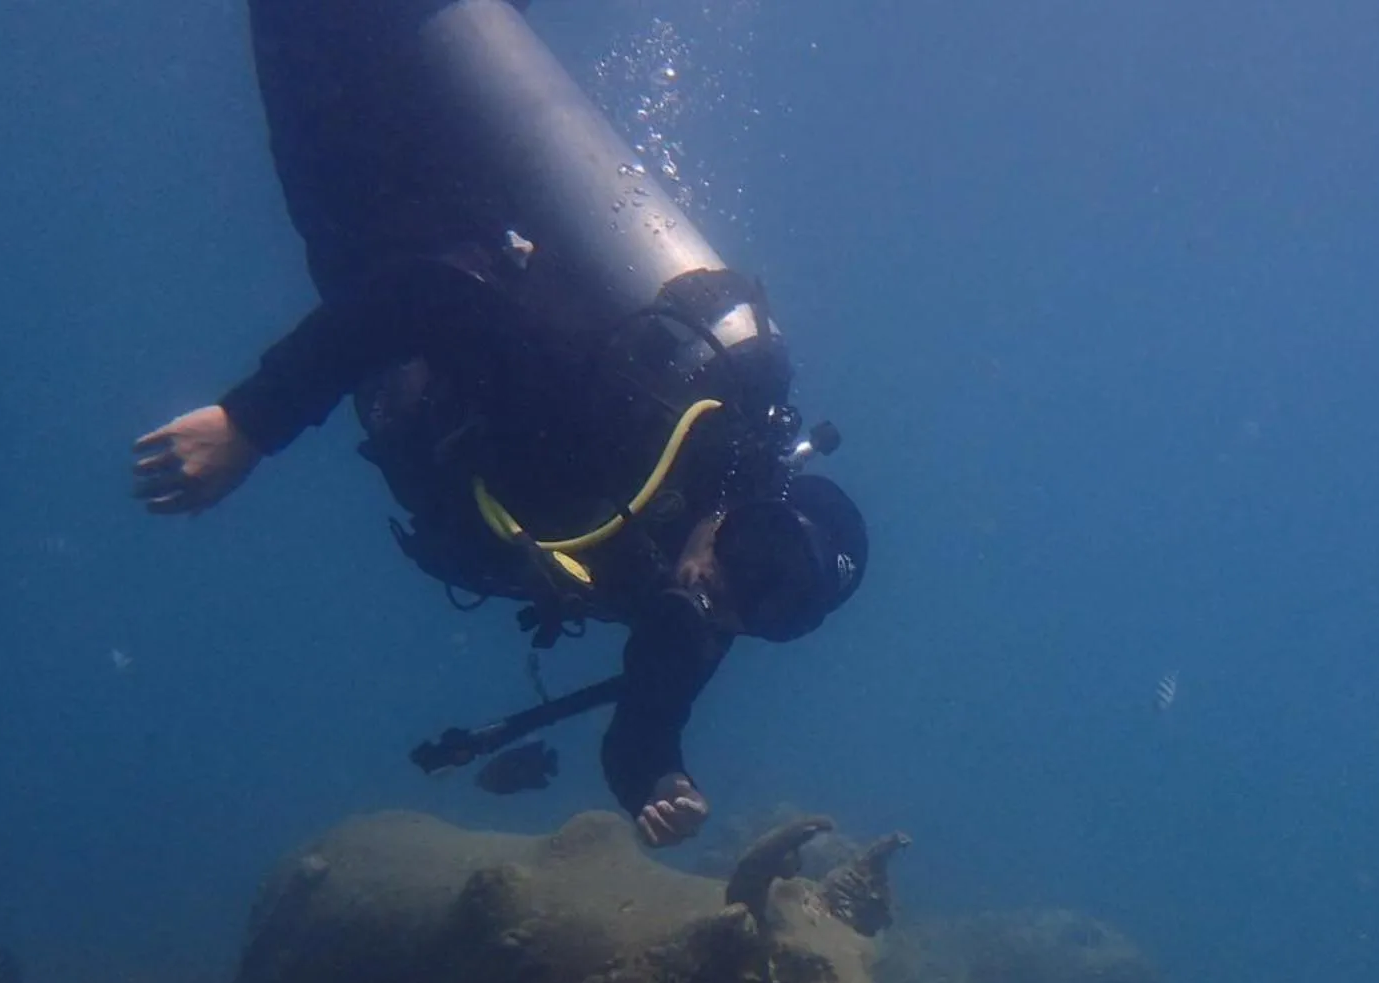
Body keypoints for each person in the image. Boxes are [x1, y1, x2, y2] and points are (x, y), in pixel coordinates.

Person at [130, 0, 867, 847]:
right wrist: (250, 423)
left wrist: (662, 783)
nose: (726, 592)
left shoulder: (703, 603)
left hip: (423, 251)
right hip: (393, 216)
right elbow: (423, 300)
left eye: (769, 612)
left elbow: (646, 721)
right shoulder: (617, 438)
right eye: (755, 558)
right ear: (743, 505)